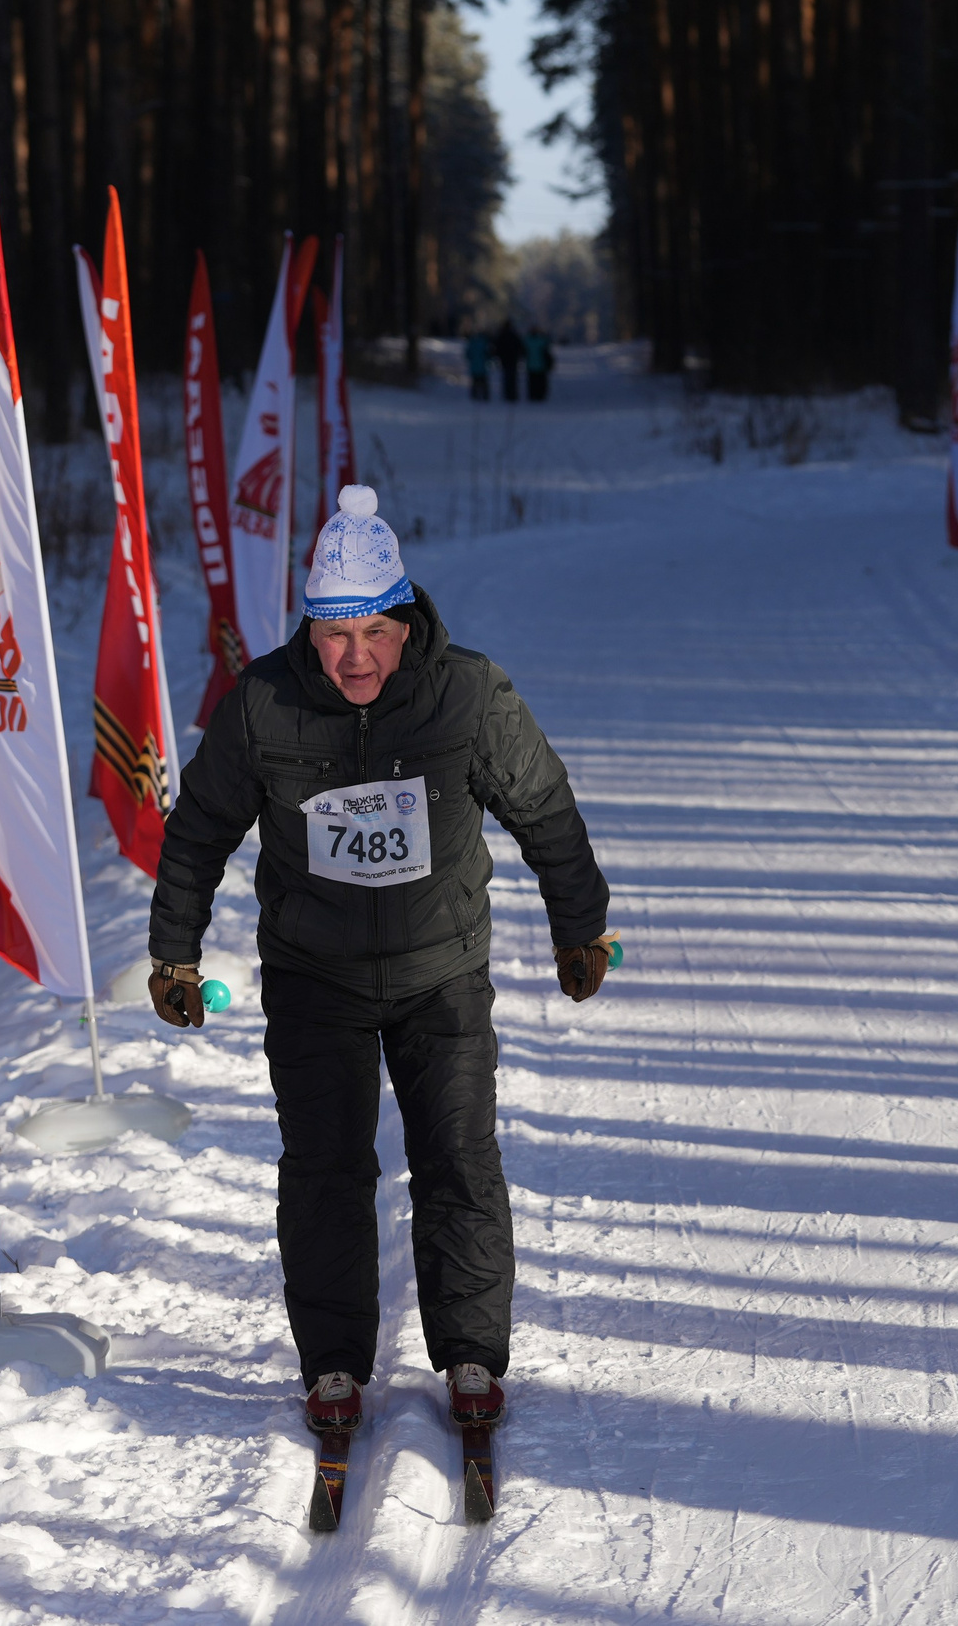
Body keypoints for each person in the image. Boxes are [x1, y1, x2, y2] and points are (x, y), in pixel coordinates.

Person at [146, 484, 612, 1439]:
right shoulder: (264, 706)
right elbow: (197, 832)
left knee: (458, 1158)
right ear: (310, 632)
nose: (355, 657)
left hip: (441, 973)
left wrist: (581, 927)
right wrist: (175, 956)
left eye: (373, 633)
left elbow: (547, 811)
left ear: (406, 621)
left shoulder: (468, 695)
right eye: (333, 635)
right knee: (323, 1169)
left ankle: (472, 1349)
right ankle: (332, 1365)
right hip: (315, 981)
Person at [492, 320, 525, 403]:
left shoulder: (501, 335)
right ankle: (512, 394)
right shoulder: (514, 335)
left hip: (505, 360)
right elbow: (520, 347)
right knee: (512, 377)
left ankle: (508, 394)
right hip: (513, 359)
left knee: (506, 376)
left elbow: (496, 347)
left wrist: (497, 356)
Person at [524, 325, 554, 402]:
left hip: (531, 365)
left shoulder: (527, 340)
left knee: (532, 383)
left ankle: (533, 395)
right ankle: (540, 395)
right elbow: (547, 346)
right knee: (540, 383)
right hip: (541, 365)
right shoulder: (541, 340)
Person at [463, 327, 493, 401]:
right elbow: (488, 354)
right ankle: (485, 396)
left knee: (475, 382)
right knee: (483, 382)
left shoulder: (472, 342)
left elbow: (468, 354)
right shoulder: (484, 342)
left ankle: (475, 396)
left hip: (474, 366)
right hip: (483, 366)